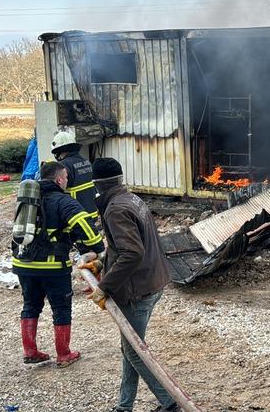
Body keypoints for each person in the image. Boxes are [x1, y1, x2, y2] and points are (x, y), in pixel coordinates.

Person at [80, 158, 176, 412]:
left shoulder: (115, 209)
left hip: (138, 290)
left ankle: (170, 402)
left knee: (135, 352)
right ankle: (124, 406)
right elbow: (124, 247)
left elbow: (132, 253)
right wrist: (101, 263)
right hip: (153, 281)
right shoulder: (130, 199)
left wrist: (105, 286)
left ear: (96, 184)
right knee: (131, 347)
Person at [12, 161, 104, 367]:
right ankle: (64, 354)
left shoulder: (28, 200)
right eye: (66, 178)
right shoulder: (64, 201)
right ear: (59, 179)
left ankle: (30, 351)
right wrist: (97, 247)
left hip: (23, 264)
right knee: (61, 308)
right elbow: (87, 231)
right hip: (52, 267)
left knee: (30, 305)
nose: (67, 182)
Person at [51, 130, 98, 220]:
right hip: (91, 212)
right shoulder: (86, 161)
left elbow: (57, 189)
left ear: (59, 151)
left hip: (76, 214)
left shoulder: (63, 166)